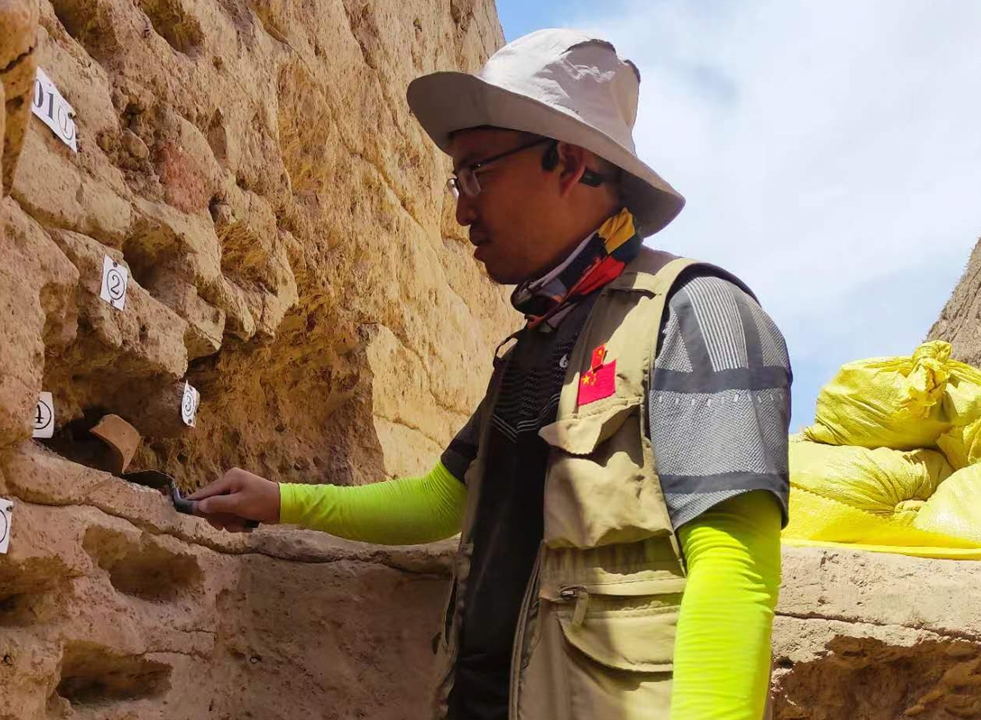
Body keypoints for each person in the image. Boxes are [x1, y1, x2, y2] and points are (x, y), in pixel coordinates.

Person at [188, 29, 790, 720]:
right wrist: (280, 500)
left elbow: (734, 569)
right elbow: (442, 500)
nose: (460, 209)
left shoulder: (697, 313)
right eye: (456, 179)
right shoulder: (538, 342)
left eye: (478, 172)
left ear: (568, 162)